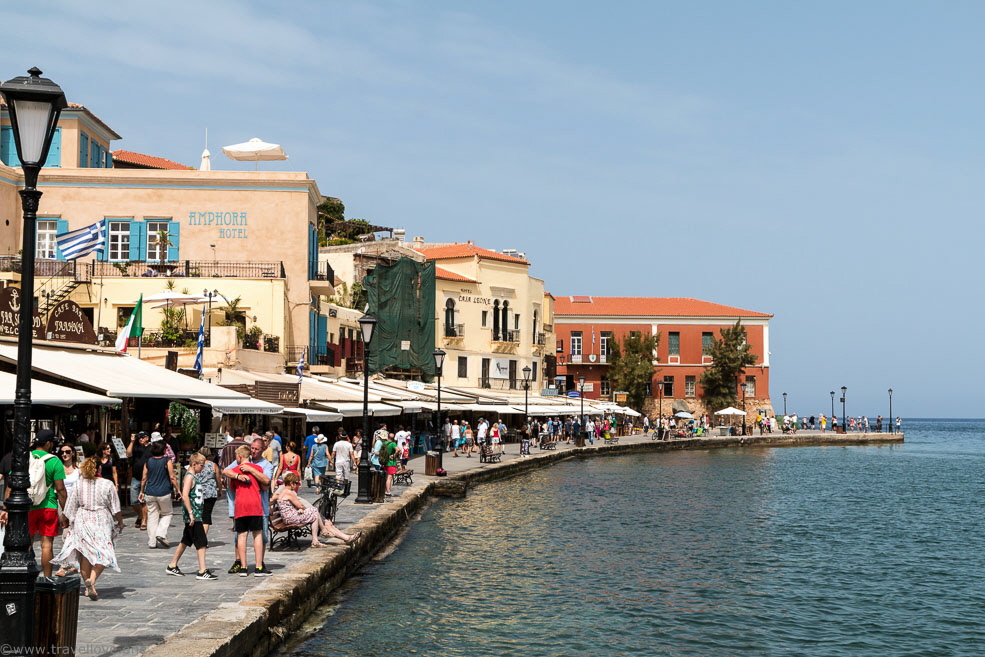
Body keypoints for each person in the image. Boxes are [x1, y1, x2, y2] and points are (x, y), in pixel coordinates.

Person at [52, 455, 123, 599]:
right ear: (99, 468)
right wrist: (120, 521)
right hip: (101, 519)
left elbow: (71, 504)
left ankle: (88, 586)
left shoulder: (79, 484)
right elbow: (115, 507)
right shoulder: (107, 484)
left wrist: (65, 518)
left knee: (85, 553)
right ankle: (92, 579)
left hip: (82, 518)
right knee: (105, 553)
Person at [166, 453, 217, 580]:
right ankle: (202, 570)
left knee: (186, 540)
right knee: (201, 542)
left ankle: (172, 565)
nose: (203, 468)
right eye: (201, 465)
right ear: (194, 464)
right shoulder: (189, 477)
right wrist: (190, 513)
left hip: (197, 513)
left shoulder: (194, 476)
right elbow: (185, 495)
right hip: (194, 515)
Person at [272, 473, 361, 547]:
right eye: (296, 483)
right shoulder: (288, 492)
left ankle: (320, 538)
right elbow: (300, 505)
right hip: (292, 518)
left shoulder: (284, 491)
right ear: (291, 483)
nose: (297, 485)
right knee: (318, 515)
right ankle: (326, 533)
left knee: (319, 516)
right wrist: (301, 508)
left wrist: (300, 509)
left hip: (292, 515)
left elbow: (295, 506)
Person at [224, 445, 269, 576]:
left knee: (242, 535)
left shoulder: (235, 470)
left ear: (239, 456)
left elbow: (232, 488)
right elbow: (264, 486)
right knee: (257, 534)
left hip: (240, 506)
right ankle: (259, 567)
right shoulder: (258, 468)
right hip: (255, 505)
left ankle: (243, 567)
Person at [28, 430, 67, 579]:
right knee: (46, 545)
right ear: (49, 443)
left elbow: (11, 485)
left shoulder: (25, 458)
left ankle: (26, 576)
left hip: (27, 506)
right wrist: (65, 512)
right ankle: (47, 578)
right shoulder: (54, 461)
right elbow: (60, 489)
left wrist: (6, 508)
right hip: (48, 506)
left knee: (27, 543)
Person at [139, 440, 178, 550]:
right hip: (164, 492)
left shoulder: (148, 461)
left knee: (152, 516)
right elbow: (172, 477)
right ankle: (161, 533)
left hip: (150, 492)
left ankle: (152, 542)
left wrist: (142, 491)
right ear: (164, 450)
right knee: (167, 513)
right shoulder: (167, 461)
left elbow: (144, 478)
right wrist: (178, 489)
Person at [126, 431, 151, 530]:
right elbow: (128, 454)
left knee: (144, 500)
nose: (140, 439)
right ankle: (140, 515)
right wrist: (132, 441)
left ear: (147, 438)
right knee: (133, 501)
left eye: (142, 437)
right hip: (136, 477)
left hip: (147, 477)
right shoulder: (135, 447)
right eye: (139, 437)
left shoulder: (151, 447)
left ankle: (144, 520)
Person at [193, 447, 221, 535]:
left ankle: (197, 535)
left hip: (197, 492)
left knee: (197, 515)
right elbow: (218, 479)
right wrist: (220, 490)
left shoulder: (195, 465)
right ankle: (203, 537)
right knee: (206, 515)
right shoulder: (213, 465)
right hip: (210, 492)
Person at [380, 433, 397, 500]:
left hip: (385, 462)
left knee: (386, 477)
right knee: (389, 477)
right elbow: (398, 449)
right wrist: (394, 455)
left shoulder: (384, 443)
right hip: (391, 463)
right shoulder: (393, 444)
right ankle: (388, 491)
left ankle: (385, 490)